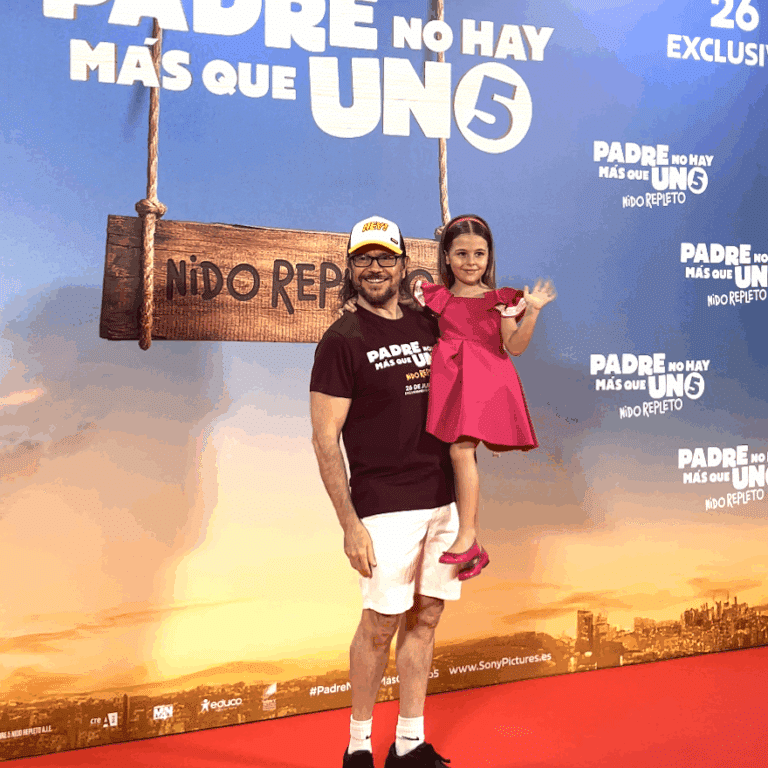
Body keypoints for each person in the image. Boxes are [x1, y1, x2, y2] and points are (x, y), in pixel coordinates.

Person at [310, 215, 459, 768]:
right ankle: (358, 746)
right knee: (380, 625)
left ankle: (409, 743)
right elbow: (324, 439)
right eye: (363, 259)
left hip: (442, 497)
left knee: (427, 617)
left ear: (402, 265)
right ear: (351, 268)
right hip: (383, 505)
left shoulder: (427, 323)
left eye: (384, 258)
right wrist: (350, 524)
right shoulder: (341, 341)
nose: (374, 268)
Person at [413, 214, 556, 581]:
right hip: (453, 380)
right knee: (456, 453)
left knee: (460, 450)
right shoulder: (436, 298)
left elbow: (515, 346)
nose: (471, 262)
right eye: (461, 254)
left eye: (479, 253)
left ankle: (468, 536)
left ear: (489, 256)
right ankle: (473, 545)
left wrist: (532, 313)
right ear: (446, 256)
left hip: (486, 379)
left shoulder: (500, 300)